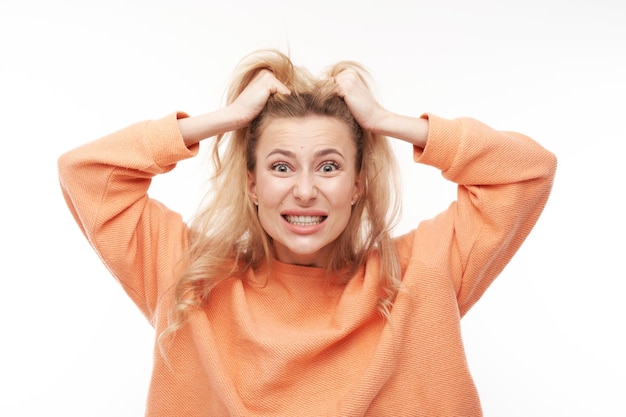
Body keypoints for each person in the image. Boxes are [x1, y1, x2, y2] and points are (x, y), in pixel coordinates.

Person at [58, 49, 557, 416]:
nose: (303, 191)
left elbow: (528, 171)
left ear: (359, 183)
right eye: (280, 167)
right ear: (251, 183)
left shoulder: (420, 274)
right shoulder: (189, 278)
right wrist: (225, 120)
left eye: (328, 166)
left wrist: (388, 122)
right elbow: (86, 174)